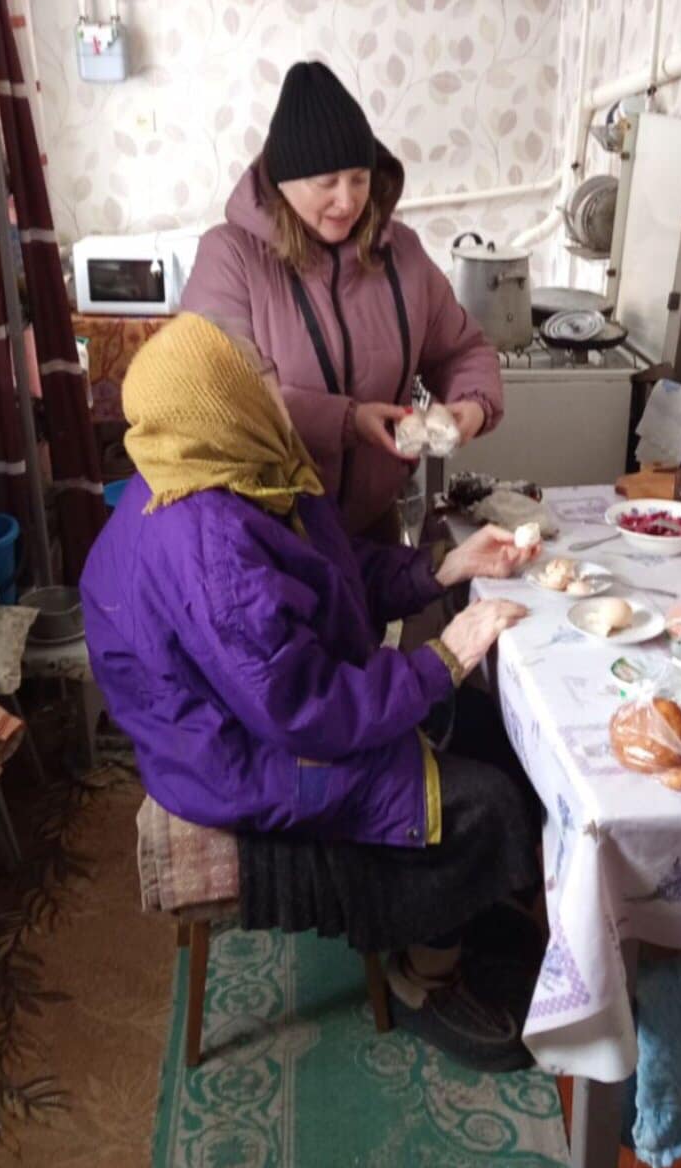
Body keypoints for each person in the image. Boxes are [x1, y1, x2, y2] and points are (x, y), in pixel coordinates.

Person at [81, 313, 543, 1071]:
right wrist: (441, 659)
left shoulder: (233, 463)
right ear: (225, 404)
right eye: (259, 377)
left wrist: (442, 569)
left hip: (263, 709)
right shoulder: (210, 544)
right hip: (232, 756)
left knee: (492, 730)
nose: (279, 386)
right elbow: (306, 711)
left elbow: (334, 575)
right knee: (481, 802)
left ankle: (463, 905)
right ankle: (422, 978)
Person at [181, 60, 503, 539]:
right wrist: (348, 420)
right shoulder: (230, 257)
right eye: (326, 182)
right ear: (283, 181)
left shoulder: (403, 253)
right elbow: (216, 398)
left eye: (358, 177)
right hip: (269, 533)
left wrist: (472, 404)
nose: (347, 201)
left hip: (372, 528)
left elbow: (462, 349)